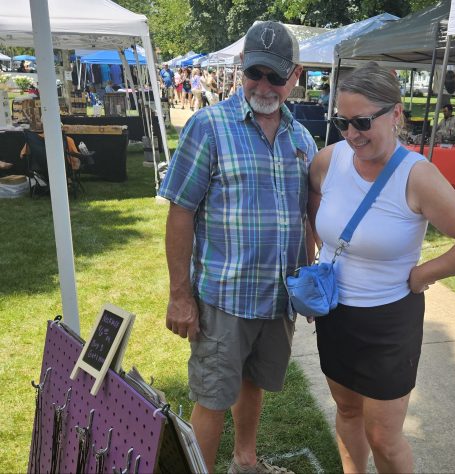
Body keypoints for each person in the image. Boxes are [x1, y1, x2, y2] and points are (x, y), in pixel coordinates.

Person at [308, 62, 455, 473]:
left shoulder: (418, 176)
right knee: (346, 411)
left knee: (385, 438)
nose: (352, 134)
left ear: (395, 114)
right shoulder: (328, 160)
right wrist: (322, 253)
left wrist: (423, 274)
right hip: (335, 313)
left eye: (361, 122)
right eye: (343, 122)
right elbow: (314, 199)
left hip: (388, 321)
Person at [158, 20, 317, 474]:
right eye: (256, 72)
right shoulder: (208, 127)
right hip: (223, 299)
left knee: (254, 382)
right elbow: (181, 213)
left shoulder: (301, 138)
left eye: (275, 76)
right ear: (242, 66)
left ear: (295, 75)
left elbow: (302, 218)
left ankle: (245, 461)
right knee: (211, 397)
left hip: (276, 298)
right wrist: (179, 294)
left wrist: (306, 277)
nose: (263, 85)